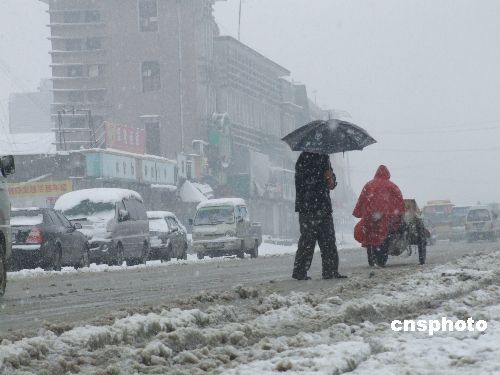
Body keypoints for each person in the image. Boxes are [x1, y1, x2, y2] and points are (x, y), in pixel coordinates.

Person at [292, 152, 346, 280]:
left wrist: (331, 178)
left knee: (328, 240)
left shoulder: (325, 157)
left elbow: (331, 184)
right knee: (307, 241)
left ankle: (331, 270)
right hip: (308, 207)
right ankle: (300, 272)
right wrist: (321, 178)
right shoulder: (303, 158)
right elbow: (303, 182)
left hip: (323, 207)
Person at [352, 165, 405, 267]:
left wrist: (358, 213)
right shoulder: (392, 186)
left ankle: (373, 255)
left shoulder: (368, 185)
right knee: (384, 235)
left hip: (369, 217)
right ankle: (381, 258)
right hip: (386, 218)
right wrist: (399, 214)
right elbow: (399, 202)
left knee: (368, 233)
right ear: (387, 174)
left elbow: (361, 200)